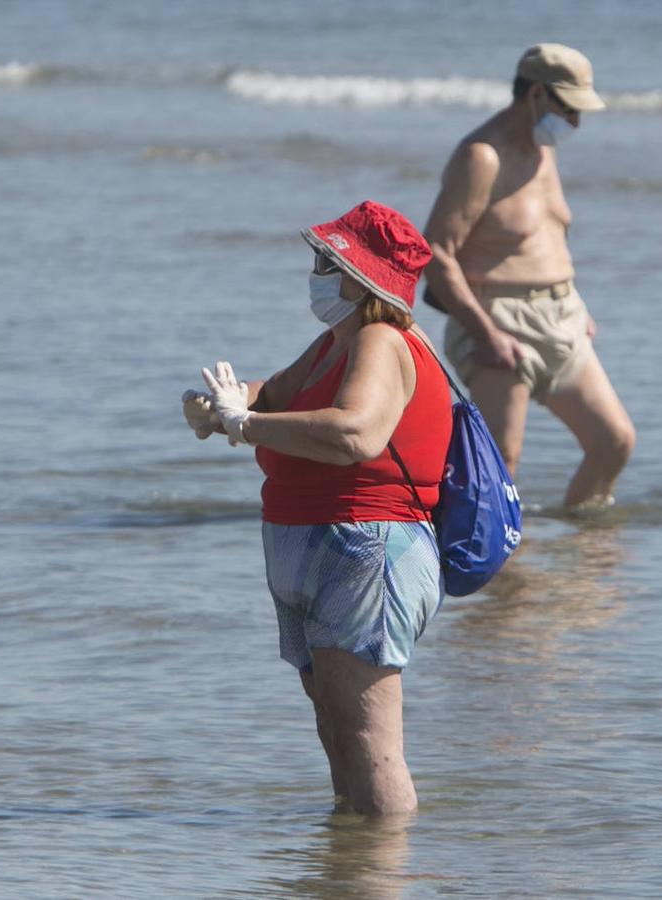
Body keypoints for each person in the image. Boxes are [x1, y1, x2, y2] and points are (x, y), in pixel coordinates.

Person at [181, 200, 452, 816]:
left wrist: (245, 425)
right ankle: (346, 868)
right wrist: (221, 403)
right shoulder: (337, 341)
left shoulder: (383, 340)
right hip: (316, 546)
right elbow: (271, 394)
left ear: (363, 279)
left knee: (366, 740)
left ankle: (383, 867)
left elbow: (358, 433)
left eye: (327, 261)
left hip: (367, 547)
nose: (316, 272)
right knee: (336, 726)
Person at [422, 43, 635, 511]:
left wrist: (576, 305)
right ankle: (507, 575)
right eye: (571, 110)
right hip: (499, 320)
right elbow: (436, 252)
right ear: (537, 94)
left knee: (614, 442)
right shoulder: (482, 156)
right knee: (502, 468)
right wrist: (486, 333)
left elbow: (544, 235)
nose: (576, 124)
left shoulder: (542, 149)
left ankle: (579, 552)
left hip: (562, 317)